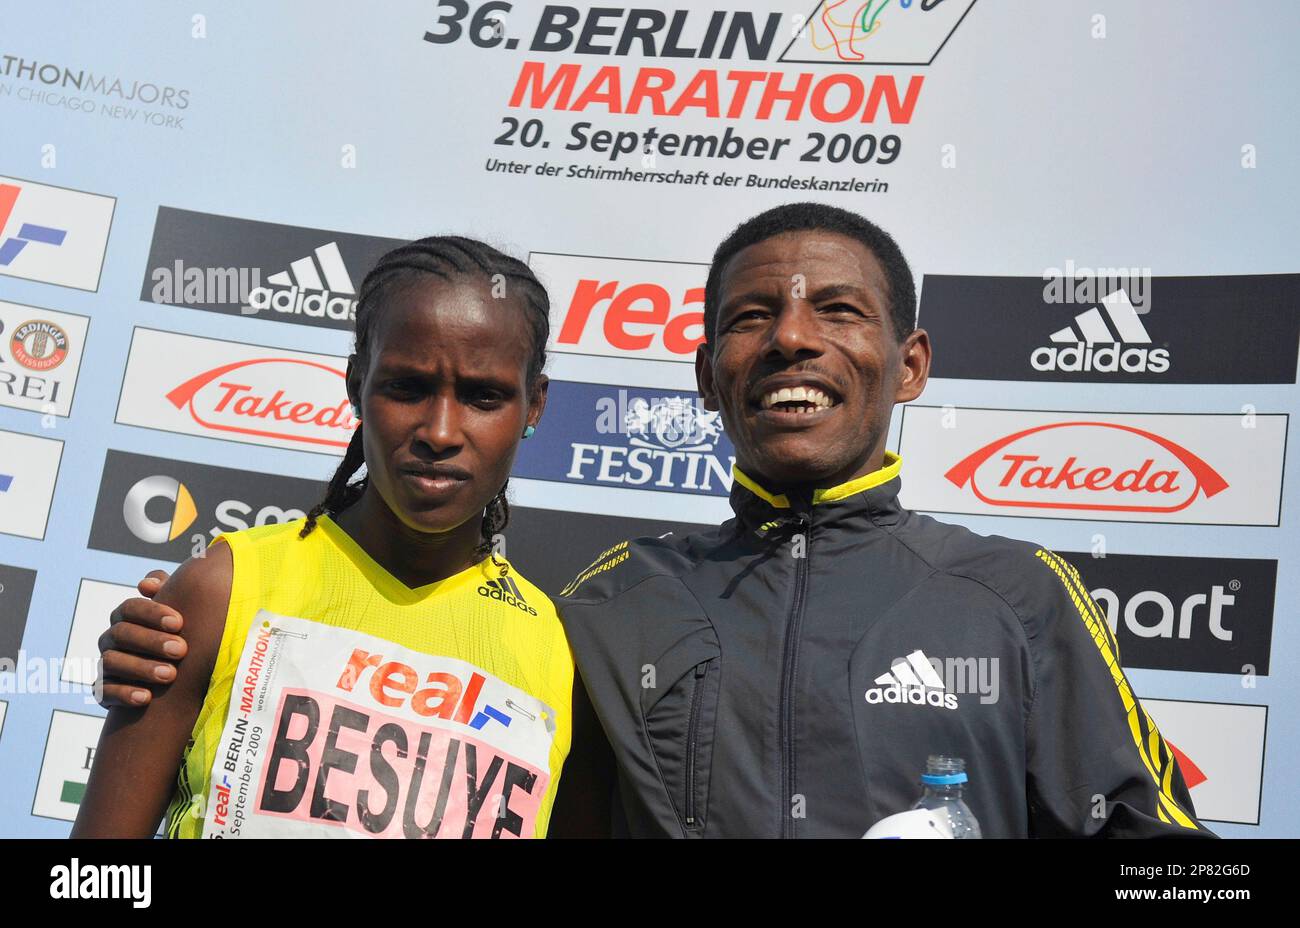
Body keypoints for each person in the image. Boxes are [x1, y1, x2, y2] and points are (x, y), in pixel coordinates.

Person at [96, 204, 1210, 838]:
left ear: (908, 363)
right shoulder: (603, 604)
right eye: (748, 318)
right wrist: (183, 641)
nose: (789, 339)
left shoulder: (1019, 597)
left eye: (837, 310)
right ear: (705, 373)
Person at [74, 236, 598, 839]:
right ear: (356, 383)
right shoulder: (224, 589)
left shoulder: (562, 662)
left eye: (484, 396)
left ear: (534, 405)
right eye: (407, 387)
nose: (441, 430)